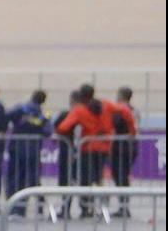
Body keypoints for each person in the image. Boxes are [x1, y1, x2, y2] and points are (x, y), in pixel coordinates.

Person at [58, 83, 114, 214]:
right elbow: (124, 111)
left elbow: (63, 127)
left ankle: (86, 208)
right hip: (103, 148)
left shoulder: (80, 110)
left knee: (85, 179)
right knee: (98, 177)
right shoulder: (105, 105)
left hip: (87, 148)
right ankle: (102, 205)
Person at [6, 90, 52, 204]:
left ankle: (13, 204)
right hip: (33, 150)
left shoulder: (19, 109)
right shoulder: (44, 115)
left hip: (16, 148)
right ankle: (40, 206)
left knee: (15, 177)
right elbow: (48, 132)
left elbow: (6, 117)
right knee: (33, 177)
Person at [105, 86, 139, 216]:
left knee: (120, 176)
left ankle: (124, 206)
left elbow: (115, 125)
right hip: (130, 146)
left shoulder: (121, 111)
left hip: (121, 147)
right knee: (122, 176)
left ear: (121, 95)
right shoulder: (134, 110)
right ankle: (123, 206)